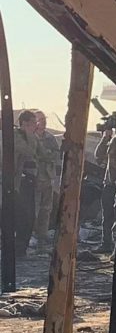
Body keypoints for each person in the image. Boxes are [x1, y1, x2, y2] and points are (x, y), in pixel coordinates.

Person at [10, 110, 40, 258]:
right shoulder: (16, 136)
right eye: (34, 123)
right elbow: (29, 151)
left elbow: (41, 154)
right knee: (22, 216)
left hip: (27, 181)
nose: (36, 126)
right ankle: (15, 248)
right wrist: (28, 133)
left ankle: (20, 249)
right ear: (25, 123)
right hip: (16, 182)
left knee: (28, 217)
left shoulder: (31, 137)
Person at [94, 125, 116, 254]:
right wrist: (105, 138)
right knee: (109, 213)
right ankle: (107, 243)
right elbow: (99, 156)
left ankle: (114, 247)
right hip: (112, 180)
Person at [32, 110, 60, 248]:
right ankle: (31, 235)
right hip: (33, 178)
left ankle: (42, 235)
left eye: (44, 119)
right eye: (40, 119)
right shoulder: (29, 137)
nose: (43, 122)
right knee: (33, 208)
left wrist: (45, 155)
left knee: (46, 208)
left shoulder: (50, 138)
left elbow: (55, 155)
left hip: (47, 177)